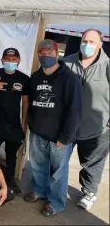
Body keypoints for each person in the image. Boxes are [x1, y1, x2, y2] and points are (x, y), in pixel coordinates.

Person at [24, 39, 82, 217]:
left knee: (58, 172)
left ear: (57, 54)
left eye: (50, 53)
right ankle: (40, 191)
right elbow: (30, 103)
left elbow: (75, 110)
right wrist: (29, 125)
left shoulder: (70, 78)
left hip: (59, 137)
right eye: (43, 53)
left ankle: (56, 203)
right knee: (38, 166)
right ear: (38, 54)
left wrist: (65, 137)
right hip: (38, 133)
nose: (46, 56)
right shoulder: (35, 77)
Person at [63, 29, 110, 210]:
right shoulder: (67, 63)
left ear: (101, 43)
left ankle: (89, 192)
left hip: (97, 127)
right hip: (67, 126)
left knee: (92, 164)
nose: (87, 45)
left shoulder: (107, 66)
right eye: (84, 41)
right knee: (58, 161)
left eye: (91, 42)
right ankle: (52, 189)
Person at [0, 48, 30, 194]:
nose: (10, 62)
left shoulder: (24, 79)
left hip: (14, 124)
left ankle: (10, 180)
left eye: (14, 59)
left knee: (11, 155)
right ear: (2, 60)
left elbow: (25, 103)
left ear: (19, 61)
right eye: (7, 59)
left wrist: (24, 124)